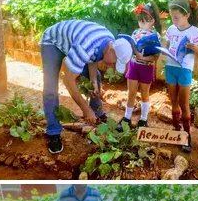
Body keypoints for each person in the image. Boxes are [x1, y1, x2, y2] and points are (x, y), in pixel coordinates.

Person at [39, 20, 134, 154]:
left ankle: (97, 114)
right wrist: (85, 109)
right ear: (111, 50)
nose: (112, 67)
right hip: (52, 42)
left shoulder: (110, 41)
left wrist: (94, 80)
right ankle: (53, 132)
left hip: (75, 43)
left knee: (97, 78)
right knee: (50, 87)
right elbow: (68, 80)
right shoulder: (85, 47)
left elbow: (93, 57)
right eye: (114, 63)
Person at [163, 0, 198, 153]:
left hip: (185, 69)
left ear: (186, 15)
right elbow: (168, 46)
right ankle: (176, 130)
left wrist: (194, 47)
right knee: (173, 102)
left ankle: (187, 136)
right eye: (172, 17)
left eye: (176, 17)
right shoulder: (171, 29)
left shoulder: (194, 31)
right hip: (170, 67)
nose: (173, 20)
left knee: (184, 104)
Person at [118, 2, 162, 131]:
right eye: (140, 21)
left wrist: (143, 57)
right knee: (131, 93)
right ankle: (127, 117)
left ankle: (143, 119)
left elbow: (156, 57)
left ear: (152, 21)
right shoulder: (135, 32)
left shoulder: (156, 36)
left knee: (144, 94)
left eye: (146, 21)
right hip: (133, 66)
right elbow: (130, 48)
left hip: (146, 67)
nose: (142, 24)